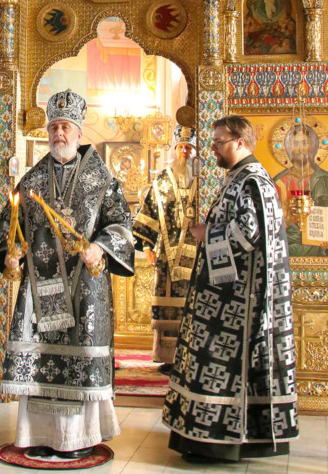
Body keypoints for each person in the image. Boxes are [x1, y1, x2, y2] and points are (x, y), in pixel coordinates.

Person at [0, 89, 134, 459]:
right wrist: (9, 256)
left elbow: (122, 222)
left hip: (84, 286)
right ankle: (38, 436)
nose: (59, 133)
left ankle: (77, 440)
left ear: (79, 132)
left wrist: (100, 247)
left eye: (65, 127)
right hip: (40, 287)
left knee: (79, 355)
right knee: (40, 360)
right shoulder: (32, 180)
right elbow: (10, 223)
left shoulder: (101, 179)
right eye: (54, 126)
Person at [163, 115, 298, 463]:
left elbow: (247, 234)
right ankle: (205, 437)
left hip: (236, 304)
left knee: (217, 365)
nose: (213, 148)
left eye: (219, 142)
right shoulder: (238, 178)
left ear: (240, 142)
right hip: (224, 296)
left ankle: (219, 442)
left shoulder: (252, 181)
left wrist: (206, 233)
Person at [132, 125, 197, 374]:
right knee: (169, 308)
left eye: (189, 147)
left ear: (195, 151)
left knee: (193, 308)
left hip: (198, 257)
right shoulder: (162, 180)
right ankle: (169, 358)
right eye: (181, 147)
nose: (184, 152)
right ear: (175, 149)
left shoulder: (204, 180)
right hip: (167, 257)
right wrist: (147, 245)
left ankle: (192, 358)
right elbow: (149, 213)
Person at [274, 123, 328, 256]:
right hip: (286, 244)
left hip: (318, 246)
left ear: (313, 146)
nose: (300, 149)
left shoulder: (324, 179)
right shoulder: (279, 182)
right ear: (288, 147)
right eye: (295, 143)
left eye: (304, 143)